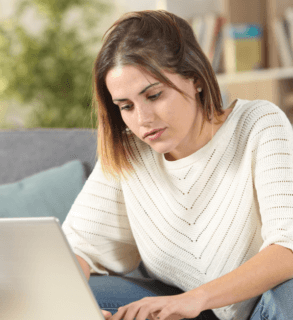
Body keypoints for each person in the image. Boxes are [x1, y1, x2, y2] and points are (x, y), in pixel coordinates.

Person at [61, 10, 293, 320]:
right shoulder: (130, 150)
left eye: (154, 95)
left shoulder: (259, 124)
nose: (142, 120)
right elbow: (76, 246)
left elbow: (288, 246)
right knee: (75, 295)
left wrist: (194, 300)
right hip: (189, 308)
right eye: (126, 106)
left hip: (263, 305)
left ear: (195, 78)